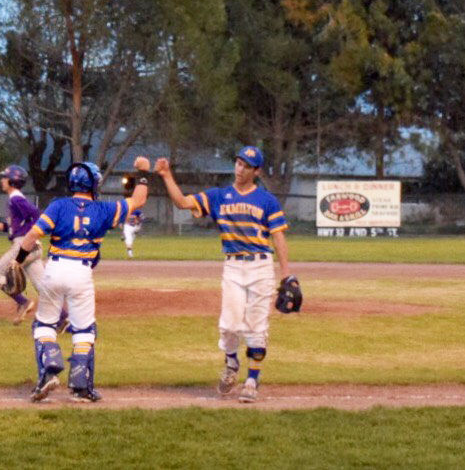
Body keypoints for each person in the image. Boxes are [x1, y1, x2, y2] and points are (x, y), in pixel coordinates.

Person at [155, 146, 292, 403]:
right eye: (238, 163)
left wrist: (286, 276)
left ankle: (252, 380)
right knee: (229, 326)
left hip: (261, 267)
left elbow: (279, 237)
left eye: (246, 166)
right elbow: (182, 202)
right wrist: (166, 175)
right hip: (233, 267)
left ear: (256, 171)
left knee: (256, 328)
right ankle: (231, 364)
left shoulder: (267, 200)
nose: (240, 169)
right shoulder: (219, 196)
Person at [16, 156, 151, 403]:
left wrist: (18, 260)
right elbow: (139, 199)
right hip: (81, 272)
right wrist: (142, 173)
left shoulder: (58, 206)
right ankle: (81, 387)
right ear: (94, 185)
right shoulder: (104, 209)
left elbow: (33, 234)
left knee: (44, 325)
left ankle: (49, 370)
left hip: (54, 269)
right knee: (84, 329)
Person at [0, 165, 45, 325]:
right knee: (44, 289)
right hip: (33, 247)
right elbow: (12, 228)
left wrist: (32, 233)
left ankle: (23, 302)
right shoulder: (15, 199)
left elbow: (36, 215)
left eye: (5, 177)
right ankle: (64, 319)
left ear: (12, 181)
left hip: (24, 245)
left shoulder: (16, 199)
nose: (2, 180)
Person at [120, 175, 144, 258]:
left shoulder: (136, 210)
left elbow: (142, 217)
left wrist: (139, 221)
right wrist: (121, 224)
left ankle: (129, 235)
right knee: (128, 237)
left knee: (131, 234)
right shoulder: (124, 209)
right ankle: (129, 251)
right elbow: (121, 218)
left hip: (136, 227)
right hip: (128, 226)